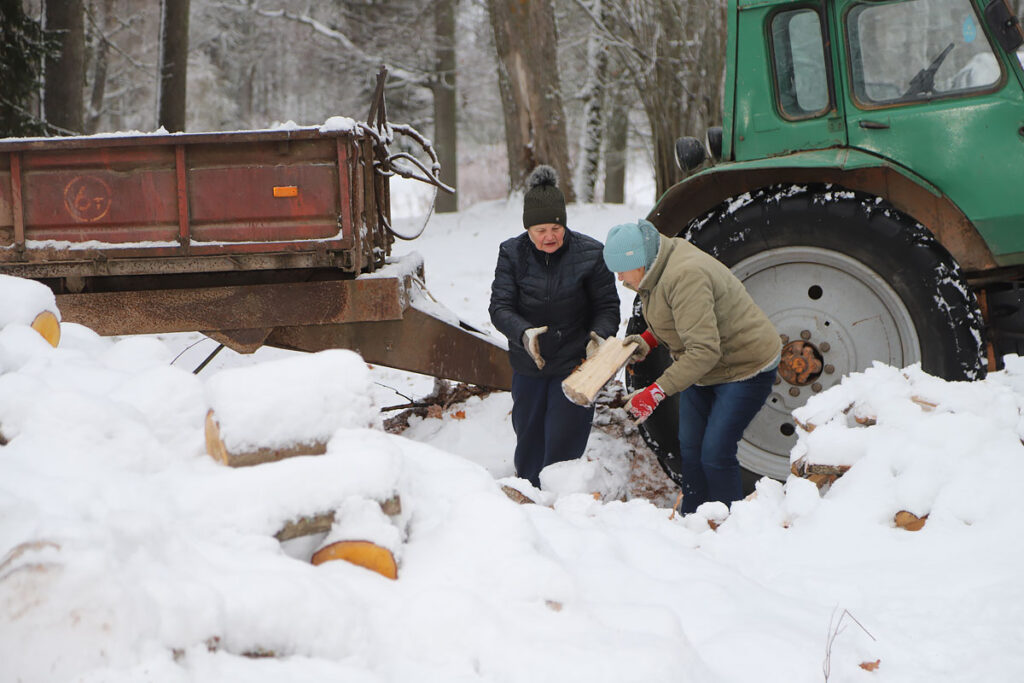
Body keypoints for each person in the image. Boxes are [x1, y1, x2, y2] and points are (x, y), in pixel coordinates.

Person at [603, 219, 781, 513]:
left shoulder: (685, 275)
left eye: (622, 270)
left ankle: (726, 525)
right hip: (706, 368)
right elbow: (678, 318)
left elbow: (703, 351)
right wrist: (648, 339)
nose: (621, 278)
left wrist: (656, 392)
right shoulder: (656, 267)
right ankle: (693, 518)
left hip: (744, 367)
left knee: (715, 452)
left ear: (639, 261)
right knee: (690, 447)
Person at [489, 165, 620, 488]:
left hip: (574, 366)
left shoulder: (590, 254)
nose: (549, 237)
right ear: (527, 229)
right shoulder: (511, 254)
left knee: (564, 444)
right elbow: (500, 307)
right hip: (528, 365)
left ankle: (562, 505)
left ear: (564, 223)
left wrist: (598, 337)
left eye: (554, 228)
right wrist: (523, 332)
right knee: (529, 441)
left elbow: (607, 307)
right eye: (540, 230)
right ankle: (530, 498)